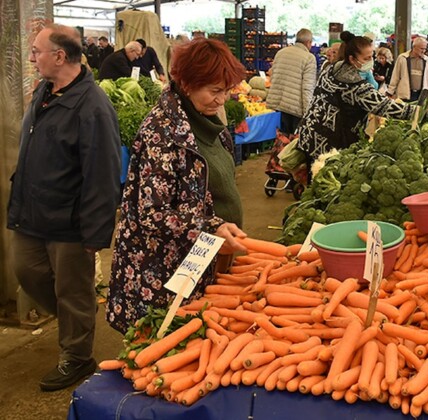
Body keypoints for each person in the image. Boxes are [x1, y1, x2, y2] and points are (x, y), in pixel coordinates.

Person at [7, 23, 121, 391]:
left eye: (37, 51)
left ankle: (77, 356)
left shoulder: (92, 106)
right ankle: (78, 320)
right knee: (27, 272)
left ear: (59, 56)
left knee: (72, 290)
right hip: (32, 213)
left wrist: (96, 232)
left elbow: (104, 173)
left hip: (70, 220)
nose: (31, 57)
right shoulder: (44, 91)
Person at [107, 38, 248, 333]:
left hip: (207, 259)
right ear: (186, 83)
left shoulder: (211, 125)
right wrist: (212, 226)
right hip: (165, 270)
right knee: (163, 345)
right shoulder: (161, 132)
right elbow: (152, 212)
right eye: (215, 91)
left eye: (226, 91)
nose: (222, 100)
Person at [296, 32, 428, 162]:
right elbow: (385, 107)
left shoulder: (332, 68)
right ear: (352, 59)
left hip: (309, 130)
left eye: (371, 56)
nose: (371, 61)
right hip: (328, 143)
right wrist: (424, 111)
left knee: (313, 179)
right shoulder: (356, 86)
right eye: (366, 58)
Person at [266, 28, 317, 135]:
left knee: (281, 141)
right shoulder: (309, 58)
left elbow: (273, 76)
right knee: (293, 144)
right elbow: (307, 87)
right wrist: (308, 112)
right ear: (308, 42)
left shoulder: (280, 53)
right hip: (295, 109)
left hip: (278, 105)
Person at [387, 37, 428, 101]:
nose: (423, 51)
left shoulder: (427, 60)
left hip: (421, 95)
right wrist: (390, 92)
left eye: (425, 49)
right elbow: (395, 76)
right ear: (414, 47)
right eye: (421, 48)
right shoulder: (402, 58)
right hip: (404, 95)